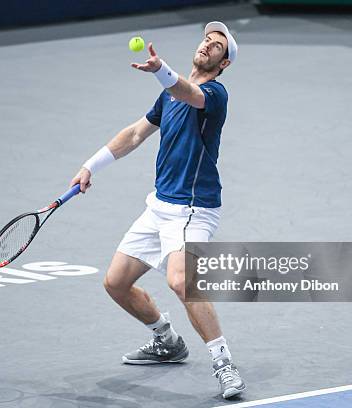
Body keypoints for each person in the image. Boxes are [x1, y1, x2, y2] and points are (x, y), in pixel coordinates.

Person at [69, 21, 245, 399]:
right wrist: (89, 166)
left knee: (181, 281)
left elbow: (188, 91)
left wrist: (161, 72)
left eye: (217, 46)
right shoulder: (167, 98)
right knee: (116, 283)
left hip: (193, 208)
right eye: (207, 40)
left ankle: (224, 364)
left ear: (224, 63)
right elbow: (134, 134)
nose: (208, 46)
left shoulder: (214, 95)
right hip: (160, 206)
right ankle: (167, 341)